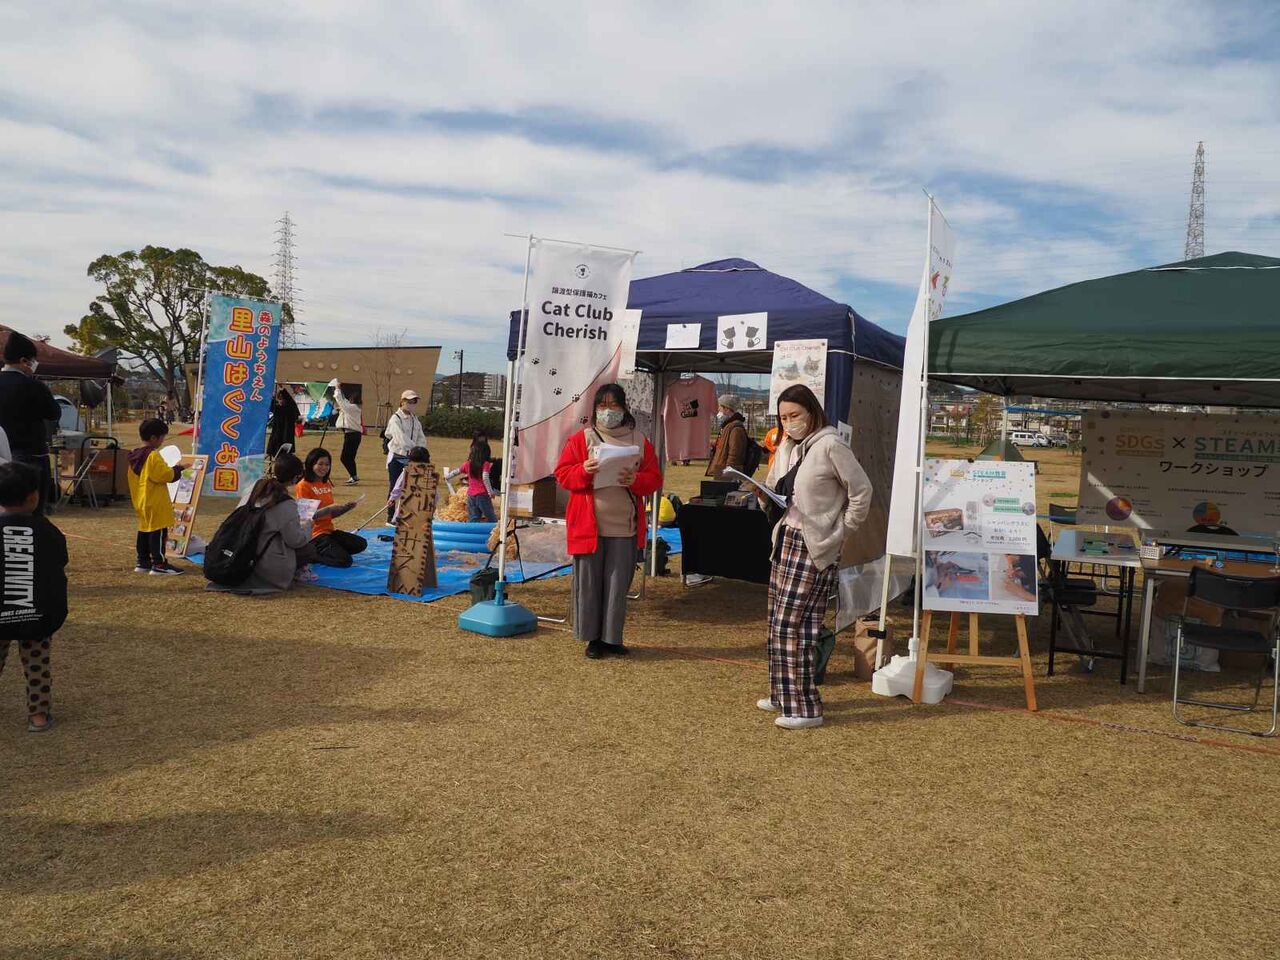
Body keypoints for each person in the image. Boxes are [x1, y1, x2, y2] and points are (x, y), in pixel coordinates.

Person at [759, 384, 872, 730]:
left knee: (794, 626)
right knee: (779, 621)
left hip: (815, 545)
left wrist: (841, 531)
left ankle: (804, 706)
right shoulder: (792, 447)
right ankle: (783, 693)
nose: (788, 422)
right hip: (787, 537)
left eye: (794, 415)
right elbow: (781, 488)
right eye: (783, 417)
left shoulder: (830, 445)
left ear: (812, 411)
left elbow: (861, 491)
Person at [554, 383, 662, 659]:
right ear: (594, 410)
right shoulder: (582, 439)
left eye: (614, 405)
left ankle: (612, 638)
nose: (608, 411)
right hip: (588, 526)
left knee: (617, 585)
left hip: (625, 526)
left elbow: (654, 479)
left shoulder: (639, 440)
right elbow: (563, 475)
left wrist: (636, 479)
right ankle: (592, 639)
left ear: (624, 408)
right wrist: (583, 470)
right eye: (602, 406)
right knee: (589, 584)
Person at [0, 461, 67, 732]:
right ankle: (38, 715)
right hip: (36, 613)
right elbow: (59, 562)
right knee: (37, 663)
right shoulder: (47, 530)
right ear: (33, 496)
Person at [207, 453, 313, 595]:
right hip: (261, 564)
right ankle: (298, 573)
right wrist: (308, 527)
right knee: (309, 549)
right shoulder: (286, 504)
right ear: (295, 477)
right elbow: (295, 540)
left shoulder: (254, 489)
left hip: (236, 551)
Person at [0, 331, 60, 514]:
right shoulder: (33, 386)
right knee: (31, 514)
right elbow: (54, 413)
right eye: (33, 360)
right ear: (24, 360)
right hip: (30, 457)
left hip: (2, 457)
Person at [127, 418, 185, 575]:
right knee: (158, 532)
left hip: (141, 500)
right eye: (162, 437)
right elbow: (165, 475)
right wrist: (178, 469)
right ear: (154, 438)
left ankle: (143, 561)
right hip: (155, 500)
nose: (162, 441)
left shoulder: (133, 455)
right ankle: (159, 564)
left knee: (144, 531)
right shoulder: (152, 456)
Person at [296, 448, 367, 567]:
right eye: (320, 464)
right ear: (311, 464)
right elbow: (305, 518)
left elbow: (331, 515)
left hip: (329, 531)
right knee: (345, 561)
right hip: (314, 535)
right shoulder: (304, 485)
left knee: (361, 544)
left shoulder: (326, 483)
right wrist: (329, 508)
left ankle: (329, 550)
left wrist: (346, 508)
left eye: (327, 464)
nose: (324, 468)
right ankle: (311, 555)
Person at [384, 389, 427, 522]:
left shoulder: (415, 419)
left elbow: (421, 437)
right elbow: (399, 437)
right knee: (395, 487)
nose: (412, 404)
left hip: (411, 458)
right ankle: (390, 516)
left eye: (414, 402)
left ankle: (405, 515)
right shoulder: (395, 418)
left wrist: (421, 450)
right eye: (409, 401)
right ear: (402, 402)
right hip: (397, 457)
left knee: (411, 488)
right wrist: (414, 449)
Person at [706, 393, 748, 478]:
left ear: (727, 409)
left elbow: (735, 452)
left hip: (727, 470)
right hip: (722, 468)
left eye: (720, 407)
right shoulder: (728, 426)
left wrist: (729, 470)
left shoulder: (736, 428)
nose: (718, 410)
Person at [329, 379, 363, 485]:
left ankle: (354, 476)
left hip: (352, 434)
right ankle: (354, 476)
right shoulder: (353, 408)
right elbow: (344, 402)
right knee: (349, 457)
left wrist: (337, 389)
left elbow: (342, 402)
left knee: (345, 457)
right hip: (352, 434)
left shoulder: (353, 408)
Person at [459, 432, 497, 522]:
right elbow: (485, 477)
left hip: (471, 495)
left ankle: (472, 531)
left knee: (474, 519)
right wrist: (490, 492)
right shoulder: (485, 464)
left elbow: (458, 471)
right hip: (482, 495)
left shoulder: (468, 464)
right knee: (491, 518)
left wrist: (447, 476)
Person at [387, 446, 431, 524]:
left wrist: (392, 498)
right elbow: (435, 494)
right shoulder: (430, 474)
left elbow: (398, 487)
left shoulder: (407, 472)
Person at [267, 387, 301, 457]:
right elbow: (271, 405)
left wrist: (281, 391)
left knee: (282, 452)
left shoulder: (289, 408)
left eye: (281, 398)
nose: (280, 401)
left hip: (284, 436)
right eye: (279, 399)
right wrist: (275, 395)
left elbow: (290, 401)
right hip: (280, 435)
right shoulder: (280, 408)